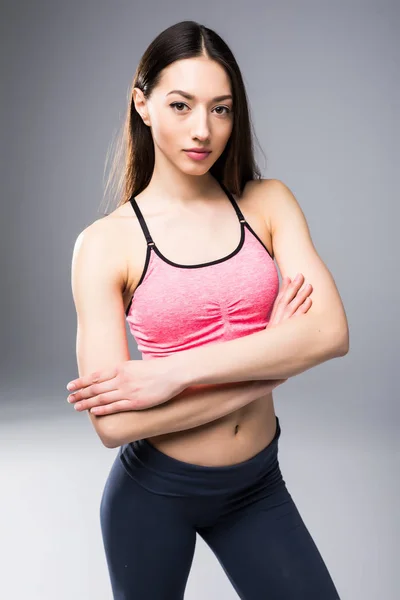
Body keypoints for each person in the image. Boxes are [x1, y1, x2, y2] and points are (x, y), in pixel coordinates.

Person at [68, 20, 348, 600]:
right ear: (142, 105)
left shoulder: (267, 202)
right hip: (153, 495)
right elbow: (113, 424)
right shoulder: (106, 243)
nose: (203, 130)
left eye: (221, 109)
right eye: (181, 105)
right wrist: (275, 356)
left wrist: (172, 372)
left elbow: (331, 332)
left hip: (256, 486)